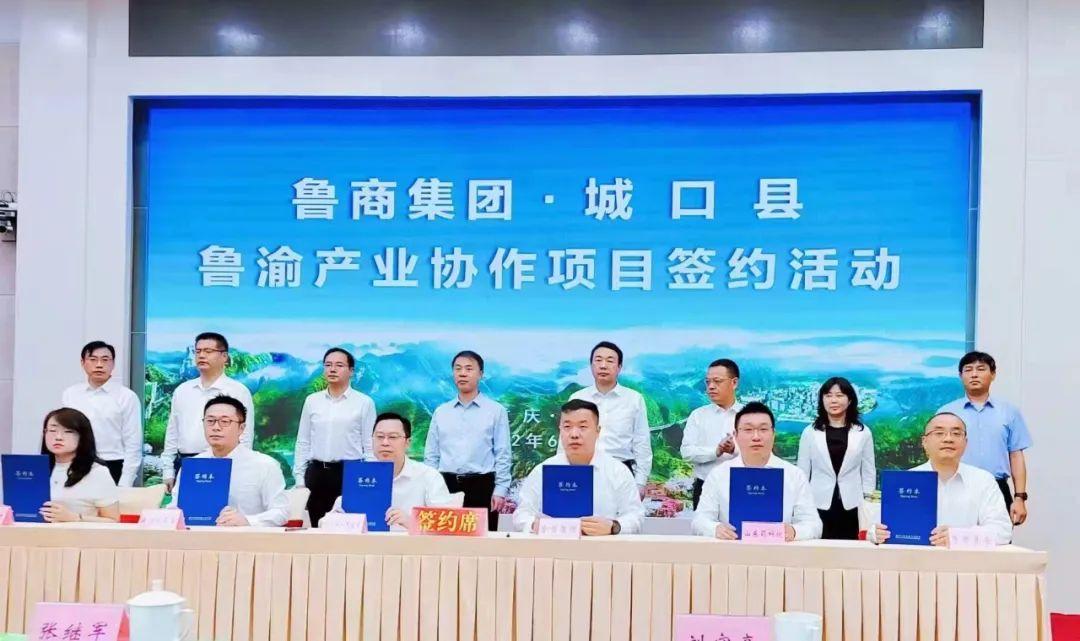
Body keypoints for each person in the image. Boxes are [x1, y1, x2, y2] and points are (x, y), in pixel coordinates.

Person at [870, 412, 1012, 546]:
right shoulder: (905, 480)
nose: (948, 439)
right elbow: (874, 527)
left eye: (956, 433)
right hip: (915, 561)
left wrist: (958, 537)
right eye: (939, 433)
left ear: (965, 442)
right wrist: (876, 533)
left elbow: (1003, 531)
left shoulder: (983, 480)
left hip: (965, 561)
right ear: (924, 442)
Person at [693, 402, 821, 541]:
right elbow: (699, 520)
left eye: (763, 429)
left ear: (773, 434)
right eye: (748, 429)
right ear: (736, 435)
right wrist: (715, 529)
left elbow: (814, 524)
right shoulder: (719, 474)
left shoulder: (794, 475)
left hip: (779, 551)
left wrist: (794, 531)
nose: (756, 437)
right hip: (732, 550)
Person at [513, 399, 645, 535]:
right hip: (553, 545)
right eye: (567, 427)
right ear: (560, 430)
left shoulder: (617, 471)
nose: (574, 434)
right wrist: (534, 524)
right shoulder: (542, 471)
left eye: (583, 427)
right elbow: (521, 514)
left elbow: (636, 516)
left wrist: (613, 527)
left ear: (598, 431)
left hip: (601, 546)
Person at [938, 351, 1032, 525]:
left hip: (997, 487)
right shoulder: (946, 412)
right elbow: (936, 453)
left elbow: (1016, 456)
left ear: (993, 374)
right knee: (952, 538)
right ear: (961, 376)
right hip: (956, 485)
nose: (974, 374)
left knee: (998, 538)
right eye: (968, 370)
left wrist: (1019, 497)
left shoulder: (1009, 412)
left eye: (981, 369)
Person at [423, 350, 511, 530]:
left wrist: (500, 490)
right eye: (458, 369)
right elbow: (431, 455)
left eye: (469, 369)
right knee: (444, 537)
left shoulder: (496, 411)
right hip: (445, 485)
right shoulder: (441, 412)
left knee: (481, 540)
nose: (462, 373)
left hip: (482, 486)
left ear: (481, 374)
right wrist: (428, 487)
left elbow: (503, 453)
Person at [170, 396, 287, 527]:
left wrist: (247, 521)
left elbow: (281, 512)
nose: (216, 427)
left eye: (225, 421)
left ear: (241, 428)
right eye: (210, 421)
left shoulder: (265, 465)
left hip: (245, 537)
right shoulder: (192, 465)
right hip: (196, 537)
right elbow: (174, 508)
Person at [293, 347, 376, 527]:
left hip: (349, 473)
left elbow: (370, 445)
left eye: (339, 365)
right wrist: (300, 479)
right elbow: (303, 441)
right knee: (316, 528)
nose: (332, 369)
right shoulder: (312, 401)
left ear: (351, 371)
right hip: (317, 473)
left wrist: (370, 478)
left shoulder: (364, 402)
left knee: (347, 527)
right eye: (328, 365)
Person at [162, 332, 254, 493]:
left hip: (224, 463)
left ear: (224, 356)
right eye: (198, 351)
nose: (201, 355)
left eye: (208, 351)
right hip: (186, 462)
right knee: (187, 508)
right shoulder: (183, 390)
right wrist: (168, 470)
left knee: (225, 509)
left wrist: (240, 469)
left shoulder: (238, 391)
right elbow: (172, 432)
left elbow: (245, 436)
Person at [333, 412, 453, 530]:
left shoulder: (428, 476)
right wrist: (337, 520)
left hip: (410, 542)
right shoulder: (359, 474)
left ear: (407, 443)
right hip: (366, 542)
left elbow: (448, 524)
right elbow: (332, 519)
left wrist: (411, 521)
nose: (385, 443)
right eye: (380, 437)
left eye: (393, 437)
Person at [796, 377, 876, 539]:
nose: (833, 400)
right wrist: (801, 503)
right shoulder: (809, 433)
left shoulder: (863, 432)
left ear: (850, 400)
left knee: (851, 548)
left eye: (839, 395)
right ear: (822, 400)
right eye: (828, 395)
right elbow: (802, 471)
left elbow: (869, 470)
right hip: (818, 503)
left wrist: (868, 500)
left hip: (853, 504)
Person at [568, 341, 652, 491]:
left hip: (621, 472)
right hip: (582, 470)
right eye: (598, 360)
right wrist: (563, 473)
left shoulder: (634, 399)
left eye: (610, 361)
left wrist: (640, 482)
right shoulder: (577, 398)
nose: (603, 365)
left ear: (619, 367)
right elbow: (566, 440)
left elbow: (641, 442)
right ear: (591, 366)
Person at [60, 340, 143, 486]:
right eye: (93, 359)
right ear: (82, 362)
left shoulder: (126, 397)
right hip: (77, 464)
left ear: (113, 364)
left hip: (113, 465)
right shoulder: (70, 394)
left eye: (105, 360)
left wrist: (125, 482)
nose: (99, 365)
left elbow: (133, 442)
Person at [681, 358, 742, 509]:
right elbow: (687, 453)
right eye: (708, 382)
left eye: (717, 381)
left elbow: (761, 453)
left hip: (742, 486)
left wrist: (734, 449)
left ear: (734, 383)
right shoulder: (698, 415)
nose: (711, 387)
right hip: (705, 487)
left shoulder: (749, 415)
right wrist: (716, 451)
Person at [39, 407, 119, 523]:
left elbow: (113, 521)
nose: (58, 437)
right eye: (52, 430)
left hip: (78, 534)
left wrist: (75, 518)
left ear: (82, 436)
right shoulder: (36, 470)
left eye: (68, 431)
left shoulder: (97, 472)